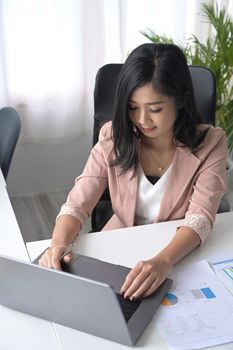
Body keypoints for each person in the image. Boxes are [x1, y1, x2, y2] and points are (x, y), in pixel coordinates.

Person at [39, 43, 227, 301]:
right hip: (119, 246)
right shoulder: (113, 135)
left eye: (155, 109)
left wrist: (163, 262)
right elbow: (77, 204)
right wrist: (58, 244)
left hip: (177, 253)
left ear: (181, 99)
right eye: (132, 107)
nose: (142, 119)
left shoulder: (211, 142)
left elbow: (200, 218)